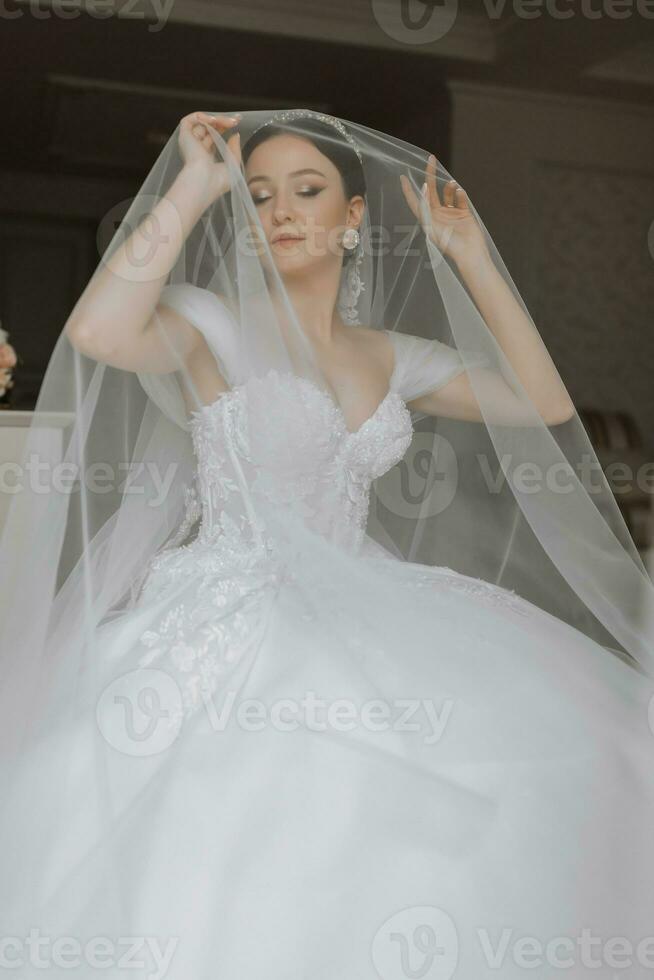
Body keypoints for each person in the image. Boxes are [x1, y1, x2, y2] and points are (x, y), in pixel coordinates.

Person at [0, 108, 653, 979]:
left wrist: (472, 259)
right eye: (261, 194)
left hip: (371, 599)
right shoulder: (210, 322)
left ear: (353, 219)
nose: (281, 210)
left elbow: (542, 403)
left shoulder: (392, 355)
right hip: (229, 605)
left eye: (308, 191)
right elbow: (97, 334)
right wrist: (196, 183)